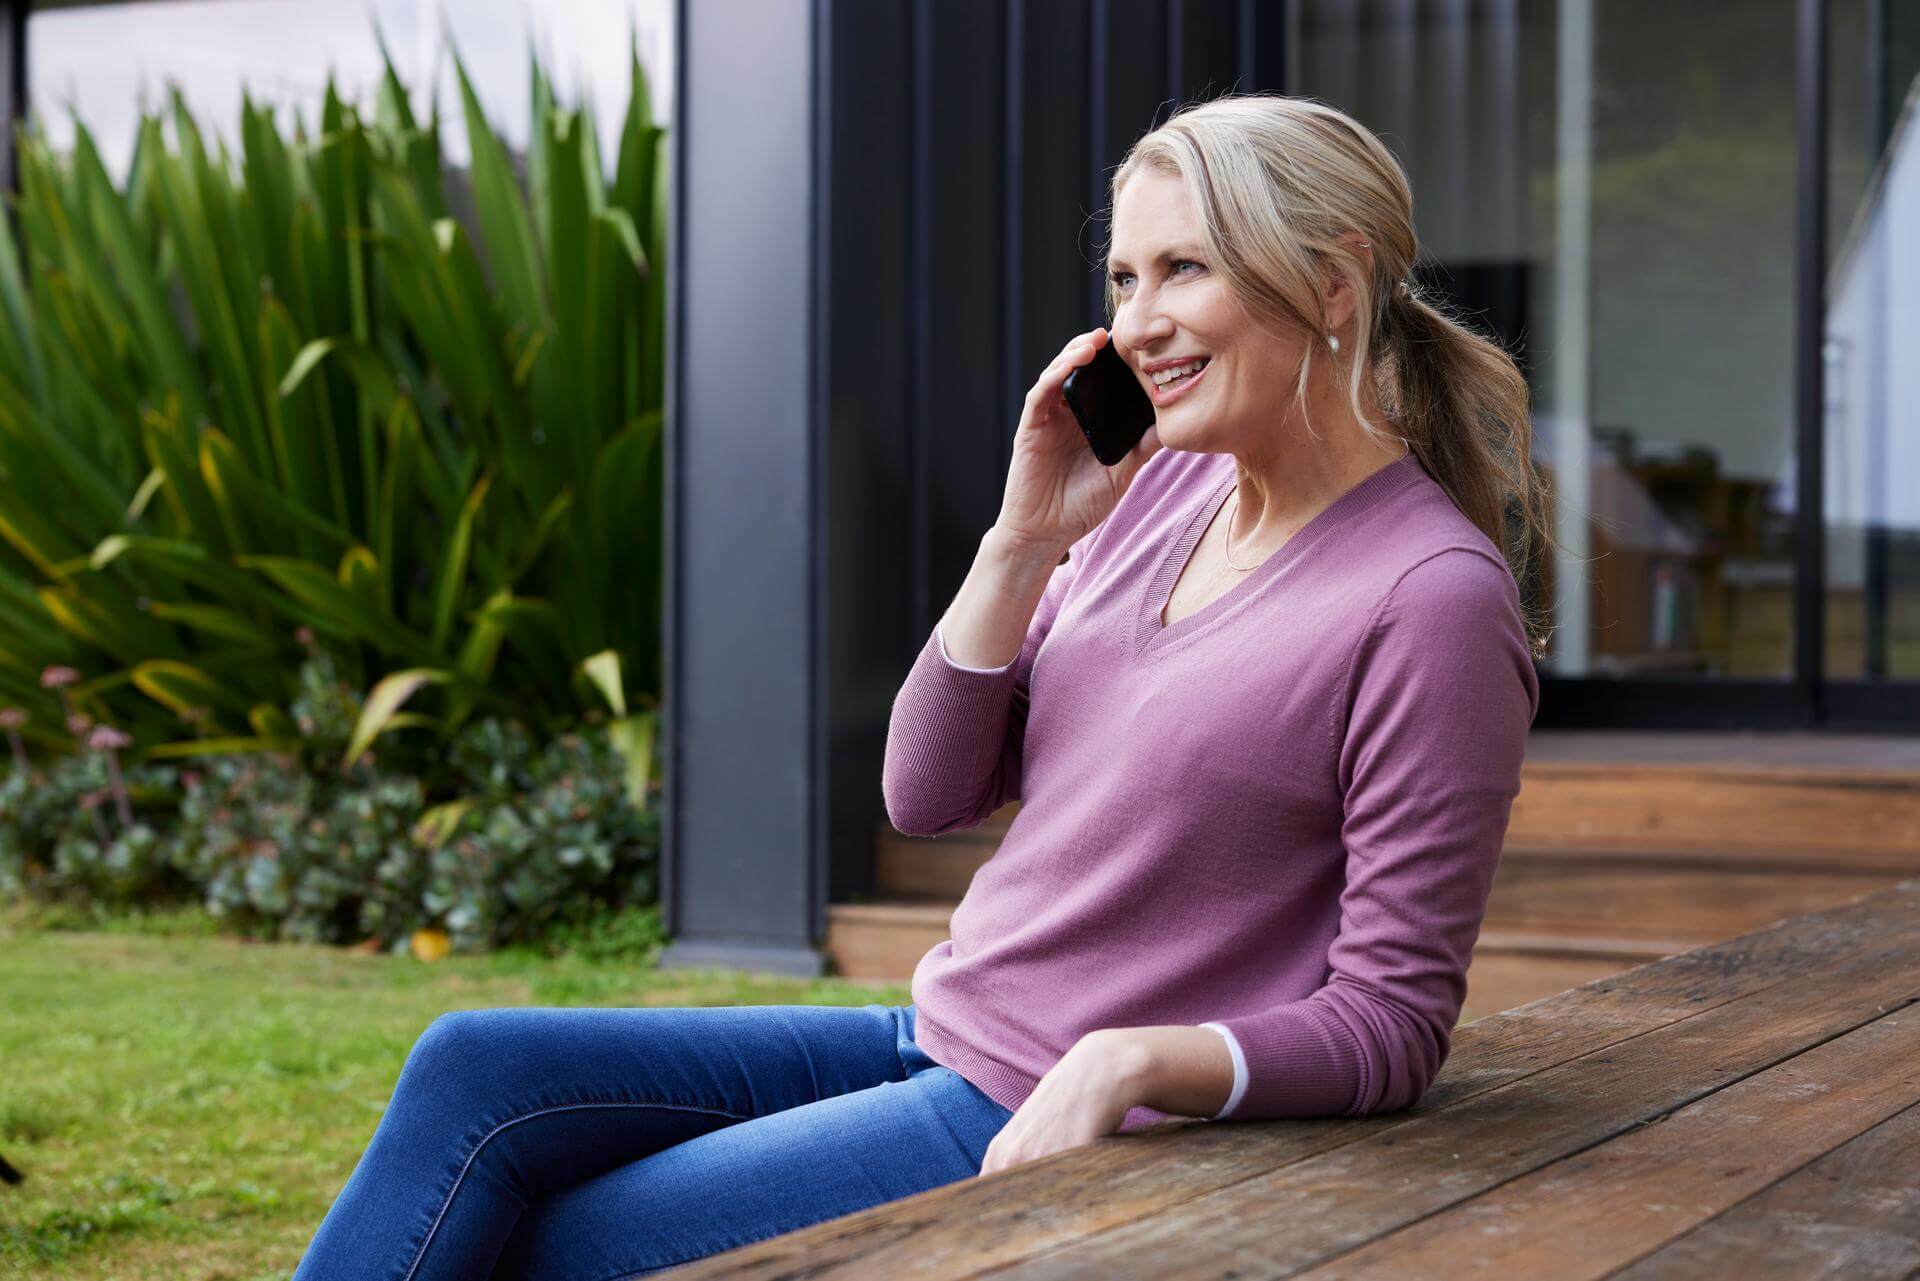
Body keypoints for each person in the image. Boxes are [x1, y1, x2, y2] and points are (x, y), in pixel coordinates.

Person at [289, 92, 1552, 1281]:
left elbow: (1391, 1021)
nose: (1139, 322)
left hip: (1034, 1107)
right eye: (1124, 276)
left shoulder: (1427, 599)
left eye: (1186, 269)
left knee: (548, 1245)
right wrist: (1021, 540)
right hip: (936, 1033)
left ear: (1331, 283)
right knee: (472, 1071)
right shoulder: (1163, 485)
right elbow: (925, 791)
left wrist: (1127, 1062)